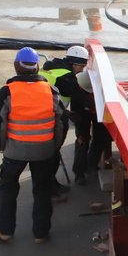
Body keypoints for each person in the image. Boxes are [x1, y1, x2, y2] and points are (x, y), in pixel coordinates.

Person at [0, 47, 67, 243]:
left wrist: (1, 147)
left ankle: (5, 231)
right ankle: (40, 234)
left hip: (14, 152)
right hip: (44, 151)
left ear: (17, 66)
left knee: (8, 189)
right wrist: (54, 147)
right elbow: (61, 123)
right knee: (42, 190)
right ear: (37, 67)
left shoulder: (6, 92)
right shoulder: (51, 91)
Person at [40, 45, 89, 198]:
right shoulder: (66, 78)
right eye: (81, 66)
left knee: (47, 154)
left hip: (40, 113)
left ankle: (47, 184)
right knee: (52, 154)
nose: (81, 70)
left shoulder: (50, 67)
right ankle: (49, 187)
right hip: (52, 117)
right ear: (74, 63)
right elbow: (81, 96)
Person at [70, 71, 112, 185]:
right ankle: (79, 172)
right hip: (81, 114)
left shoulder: (100, 85)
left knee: (100, 138)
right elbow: (76, 112)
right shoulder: (75, 89)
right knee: (82, 141)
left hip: (98, 112)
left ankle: (92, 165)